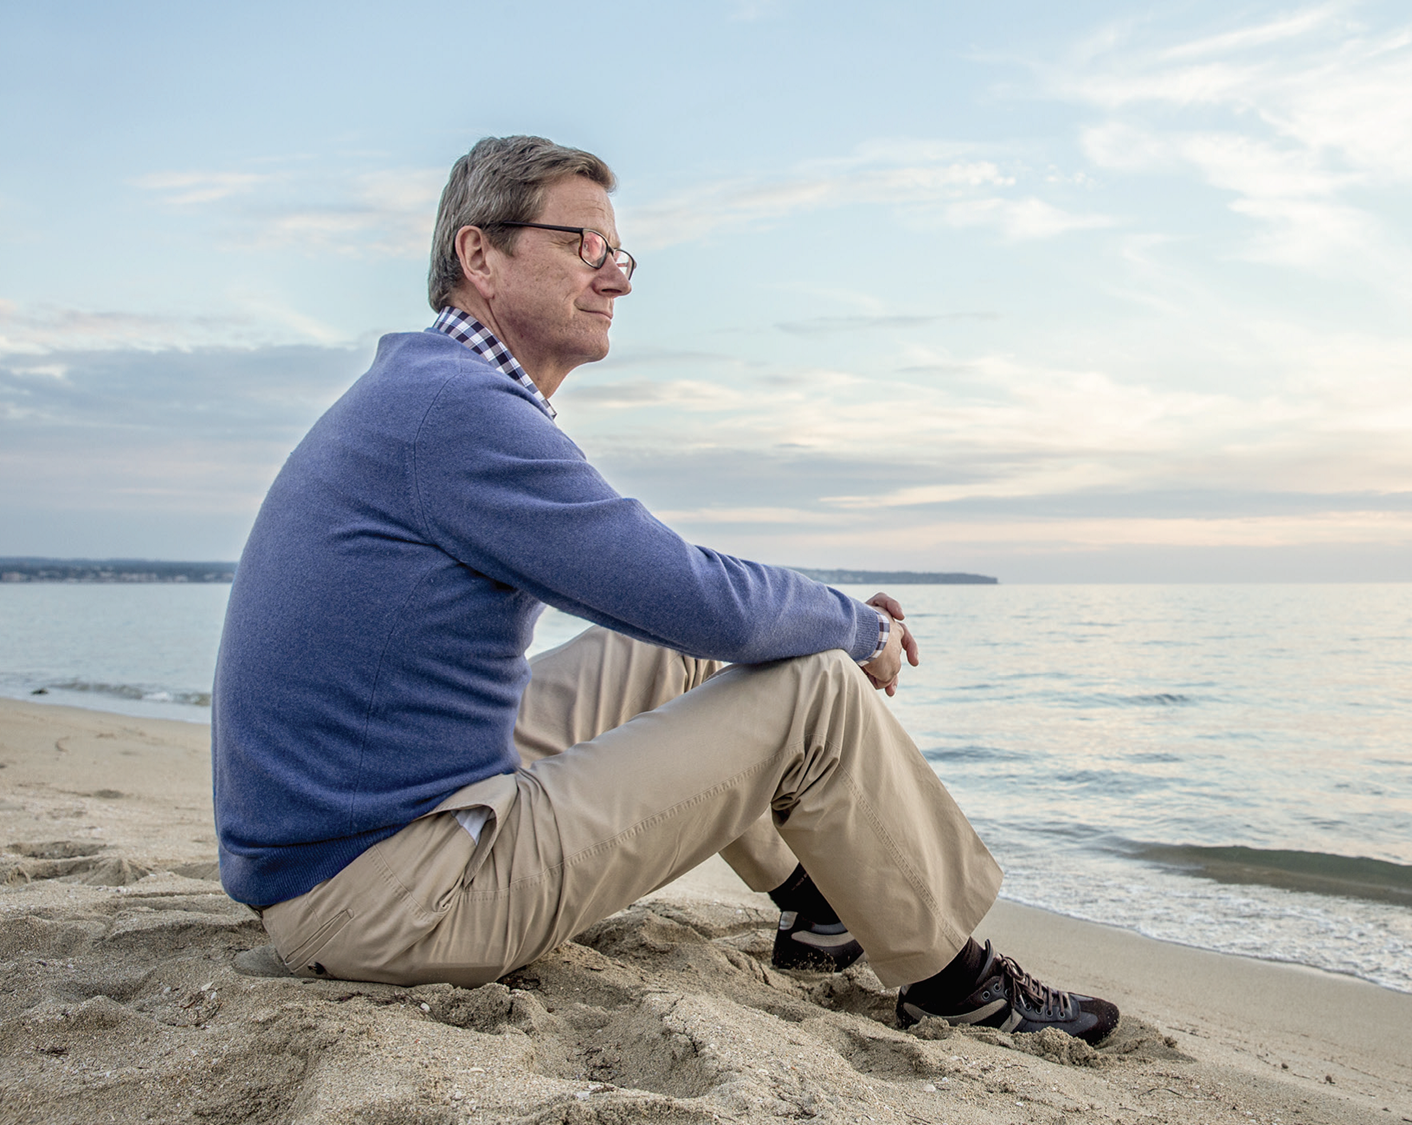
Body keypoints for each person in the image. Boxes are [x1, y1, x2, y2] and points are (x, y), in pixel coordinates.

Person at [210, 134, 1117, 1045]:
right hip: (391, 893)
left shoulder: (429, 388)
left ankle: (818, 903)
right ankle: (959, 983)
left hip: (352, 836)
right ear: (479, 254)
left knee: (669, 651)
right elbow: (691, 593)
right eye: (583, 246)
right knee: (813, 691)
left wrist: (815, 617)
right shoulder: (457, 411)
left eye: (618, 253)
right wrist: (856, 627)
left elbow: (676, 610)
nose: (616, 278)